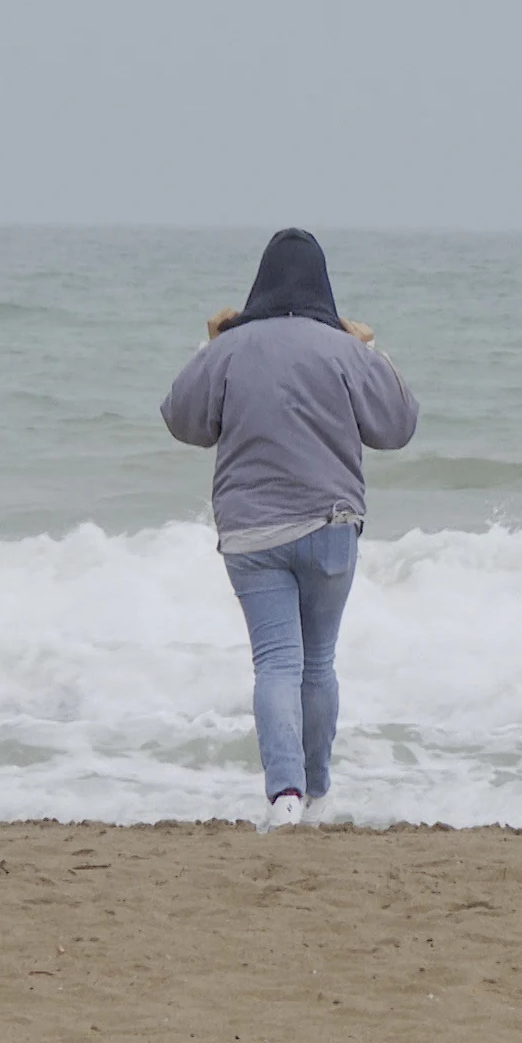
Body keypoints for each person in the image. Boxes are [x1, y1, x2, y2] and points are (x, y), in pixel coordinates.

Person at [160, 228, 419, 830]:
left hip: (251, 534)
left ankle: (285, 797)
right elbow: (399, 425)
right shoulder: (343, 349)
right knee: (318, 662)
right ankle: (319, 794)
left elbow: (182, 420)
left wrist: (208, 347)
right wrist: (370, 347)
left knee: (276, 663)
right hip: (332, 523)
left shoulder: (230, 348)